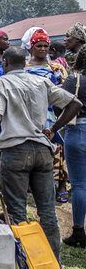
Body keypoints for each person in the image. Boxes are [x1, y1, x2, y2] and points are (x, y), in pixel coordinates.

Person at [0, 47, 80, 263]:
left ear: (5, 63)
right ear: (24, 62)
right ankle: (53, 262)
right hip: (42, 150)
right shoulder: (42, 82)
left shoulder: (1, 83)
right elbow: (75, 103)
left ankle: (26, 264)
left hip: (14, 151)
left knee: (17, 212)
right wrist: (54, 128)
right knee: (47, 212)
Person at [61, 52, 86, 248]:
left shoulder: (74, 79)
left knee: (79, 184)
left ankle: (78, 231)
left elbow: (60, 106)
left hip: (78, 131)